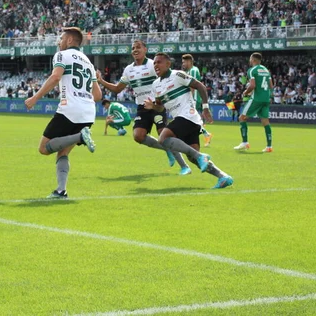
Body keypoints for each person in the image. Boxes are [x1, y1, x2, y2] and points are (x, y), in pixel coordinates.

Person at [25, 27, 102, 199]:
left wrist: (35, 98)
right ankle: (61, 190)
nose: (59, 42)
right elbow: (98, 95)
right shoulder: (88, 63)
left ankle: (80, 137)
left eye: (61, 39)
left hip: (69, 109)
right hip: (88, 113)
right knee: (63, 152)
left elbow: (55, 77)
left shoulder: (61, 55)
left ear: (68, 40)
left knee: (44, 148)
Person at [97, 40, 191, 175]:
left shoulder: (153, 64)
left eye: (138, 47)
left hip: (156, 105)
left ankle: (184, 166)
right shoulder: (129, 70)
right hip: (142, 107)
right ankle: (167, 150)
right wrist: (101, 81)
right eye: (133, 48)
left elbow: (166, 77)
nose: (135, 50)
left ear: (145, 49)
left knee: (164, 135)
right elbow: (118, 89)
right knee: (138, 136)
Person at [144, 52, 233, 189]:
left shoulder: (178, 75)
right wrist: (152, 106)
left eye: (159, 62)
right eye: (154, 62)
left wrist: (205, 108)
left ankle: (200, 156)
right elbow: (161, 108)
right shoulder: (156, 85)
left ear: (168, 64)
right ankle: (223, 177)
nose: (156, 65)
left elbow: (201, 86)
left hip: (188, 116)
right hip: (182, 120)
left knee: (163, 138)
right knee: (192, 157)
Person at [234, 53, 273, 152]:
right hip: (266, 98)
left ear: (253, 60)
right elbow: (271, 86)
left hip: (256, 99)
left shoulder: (252, 70)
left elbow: (252, 85)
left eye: (250, 59)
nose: (250, 61)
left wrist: (245, 92)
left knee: (242, 118)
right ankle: (269, 146)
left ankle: (245, 143)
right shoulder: (266, 70)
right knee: (265, 121)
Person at [181, 54, 212, 147]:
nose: (183, 64)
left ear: (189, 61)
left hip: (194, 98)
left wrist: (188, 99)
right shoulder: (190, 71)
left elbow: (193, 86)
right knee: (192, 120)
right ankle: (206, 134)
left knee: (188, 119)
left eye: (184, 62)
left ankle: (203, 135)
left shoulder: (193, 70)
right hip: (193, 98)